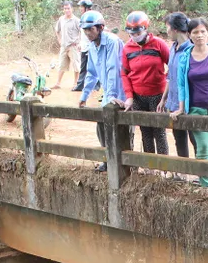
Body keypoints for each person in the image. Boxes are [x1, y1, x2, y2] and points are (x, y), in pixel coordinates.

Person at [170, 18, 208, 187]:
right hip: (196, 108)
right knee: (203, 147)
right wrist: (181, 107)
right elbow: (181, 84)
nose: (199, 35)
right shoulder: (185, 57)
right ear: (189, 35)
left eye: (202, 31)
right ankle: (205, 185)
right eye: (195, 32)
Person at [78, 11, 129, 172]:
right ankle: (107, 159)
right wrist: (84, 95)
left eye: (91, 29)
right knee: (101, 125)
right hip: (108, 93)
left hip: (121, 91)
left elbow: (113, 68)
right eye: (85, 30)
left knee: (122, 128)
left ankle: (125, 165)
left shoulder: (112, 41)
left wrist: (113, 95)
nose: (88, 33)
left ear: (100, 28)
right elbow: (91, 73)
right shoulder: (92, 47)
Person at [120, 11, 170, 157]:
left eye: (138, 33)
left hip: (157, 95)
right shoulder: (127, 48)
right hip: (138, 96)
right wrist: (129, 96)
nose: (135, 36)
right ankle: (149, 165)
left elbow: (172, 66)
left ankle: (163, 164)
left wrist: (166, 85)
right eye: (132, 34)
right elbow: (124, 73)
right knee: (145, 132)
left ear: (145, 29)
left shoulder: (158, 44)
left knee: (159, 131)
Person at [159, 12, 196, 162]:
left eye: (167, 27)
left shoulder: (192, 49)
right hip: (174, 103)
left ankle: (201, 173)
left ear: (175, 29)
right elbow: (170, 76)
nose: (166, 31)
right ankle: (183, 171)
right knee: (179, 139)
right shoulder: (173, 48)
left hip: (189, 104)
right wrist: (164, 99)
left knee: (196, 139)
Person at [53, 2, 82, 90]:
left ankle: (75, 84)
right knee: (61, 65)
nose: (66, 10)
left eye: (68, 8)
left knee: (76, 66)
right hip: (64, 46)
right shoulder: (61, 19)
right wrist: (59, 40)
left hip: (73, 46)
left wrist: (80, 43)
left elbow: (82, 32)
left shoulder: (76, 20)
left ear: (72, 9)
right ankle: (58, 83)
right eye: (65, 8)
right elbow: (57, 30)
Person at [75, 0, 94, 92]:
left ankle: (95, 86)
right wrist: (80, 43)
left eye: (81, 7)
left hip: (91, 46)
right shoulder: (83, 18)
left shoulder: (92, 17)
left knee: (93, 67)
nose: (80, 8)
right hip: (84, 46)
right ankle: (80, 85)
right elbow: (81, 33)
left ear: (86, 7)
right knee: (83, 67)